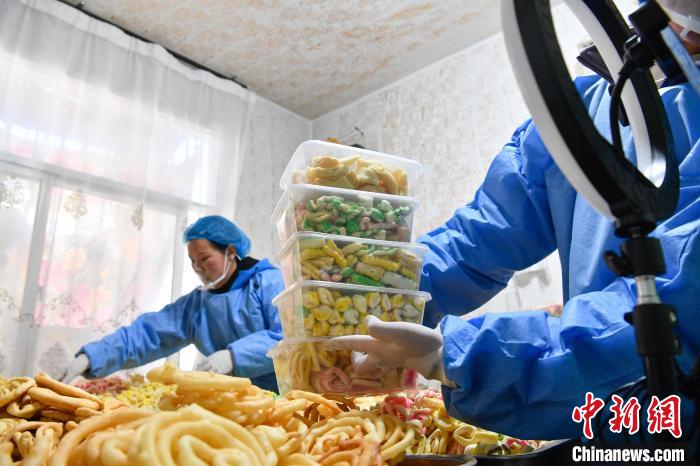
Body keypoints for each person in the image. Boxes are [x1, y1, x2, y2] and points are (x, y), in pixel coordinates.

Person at [328, 2, 700, 441]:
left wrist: (458, 354)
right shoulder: (589, 106)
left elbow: (677, 302)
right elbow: (482, 235)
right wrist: (373, 290)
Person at [60, 215, 284, 392]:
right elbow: (149, 334)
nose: (197, 267)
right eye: (192, 261)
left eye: (204, 258)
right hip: (230, 399)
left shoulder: (269, 282)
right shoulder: (197, 305)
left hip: (282, 397)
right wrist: (91, 357)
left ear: (231, 252)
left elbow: (287, 337)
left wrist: (235, 357)